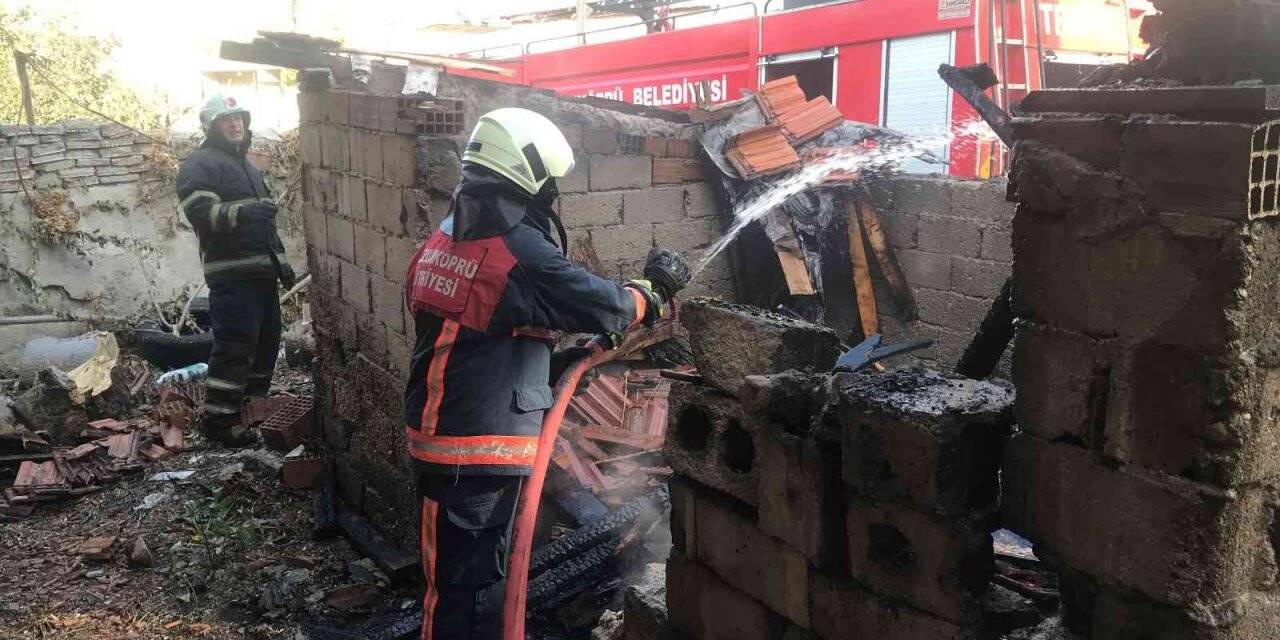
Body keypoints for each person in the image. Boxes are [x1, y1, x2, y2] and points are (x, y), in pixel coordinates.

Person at [402, 107, 690, 640]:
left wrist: (548, 366)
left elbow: (475, 330)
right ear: (529, 174)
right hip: (478, 451)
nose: (553, 192)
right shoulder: (518, 252)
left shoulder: (443, 240)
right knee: (469, 598)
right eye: (550, 180)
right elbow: (608, 307)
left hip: (443, 436)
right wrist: (651, 291)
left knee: (454, 586)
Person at [175, 94, 296, 445]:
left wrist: (282, 265)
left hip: (261, 274)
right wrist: (243, 212)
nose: (236, 124)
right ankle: (220, 422)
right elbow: (202, 214)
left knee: (266, 345)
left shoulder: (247, 166)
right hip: (232, 276)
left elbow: (264, 227)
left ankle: (251, 412)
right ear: (211, 127)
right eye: (226, 119)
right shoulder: (200, 165)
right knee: (235, 347)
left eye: (240, 117)